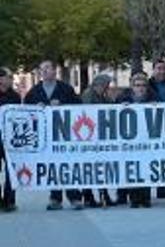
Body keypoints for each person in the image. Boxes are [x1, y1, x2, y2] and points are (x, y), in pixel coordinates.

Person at [24, 60, 83, 210]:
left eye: (48, 68)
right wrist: (34, 108)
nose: (44, 71)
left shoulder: (66, 89)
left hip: (65, 134)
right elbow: (25, 110)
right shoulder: (34, 91)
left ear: (55, 71)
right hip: (46, 137)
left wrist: (62, 105)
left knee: (67, 165)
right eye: (42, 69)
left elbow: (79, 107)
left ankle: (75, 198)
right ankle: (55, 198)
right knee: (53, 166)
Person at [117, 73, 154, 208]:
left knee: (145, 168)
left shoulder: (152, 97)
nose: (141, 88)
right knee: (133, 169)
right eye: (137, 85)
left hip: (146, 140)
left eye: (143, 85)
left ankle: (146, 198)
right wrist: (121, 107)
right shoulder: (123, 98)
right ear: (132, 87)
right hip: (130, 141)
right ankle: (134, 198)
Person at [80, 74, 116, 208]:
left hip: (100, 137)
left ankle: (103, 195)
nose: (106, 88)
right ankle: (89, 196)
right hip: (90, 137)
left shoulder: (102, 96)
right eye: (106, 85)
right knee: (91, 168)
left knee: (101, 168)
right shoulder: (89, 95)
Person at [0, 67, 20, 212]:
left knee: (11, 170)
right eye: (9, 77)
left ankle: (9, 201)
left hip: (10, 139)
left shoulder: (15, 96)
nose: (11, 80)